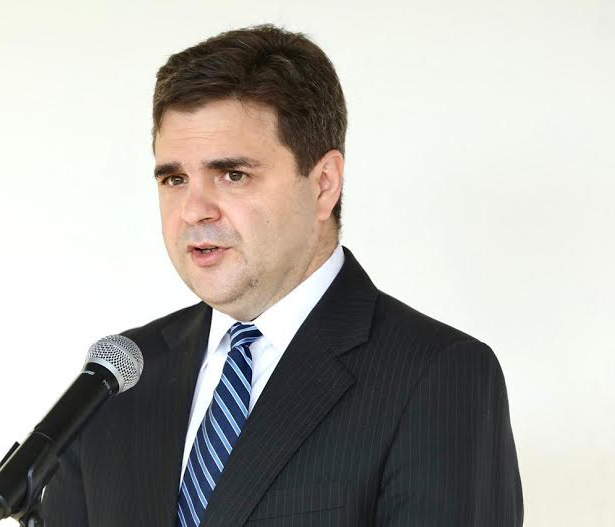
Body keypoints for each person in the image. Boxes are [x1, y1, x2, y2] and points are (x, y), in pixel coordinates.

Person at [42, 24, 523, 526]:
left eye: (233, 175)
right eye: (175, 179)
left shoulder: (436, 374)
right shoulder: (119, 378)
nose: (193, 210)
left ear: (323, 184)